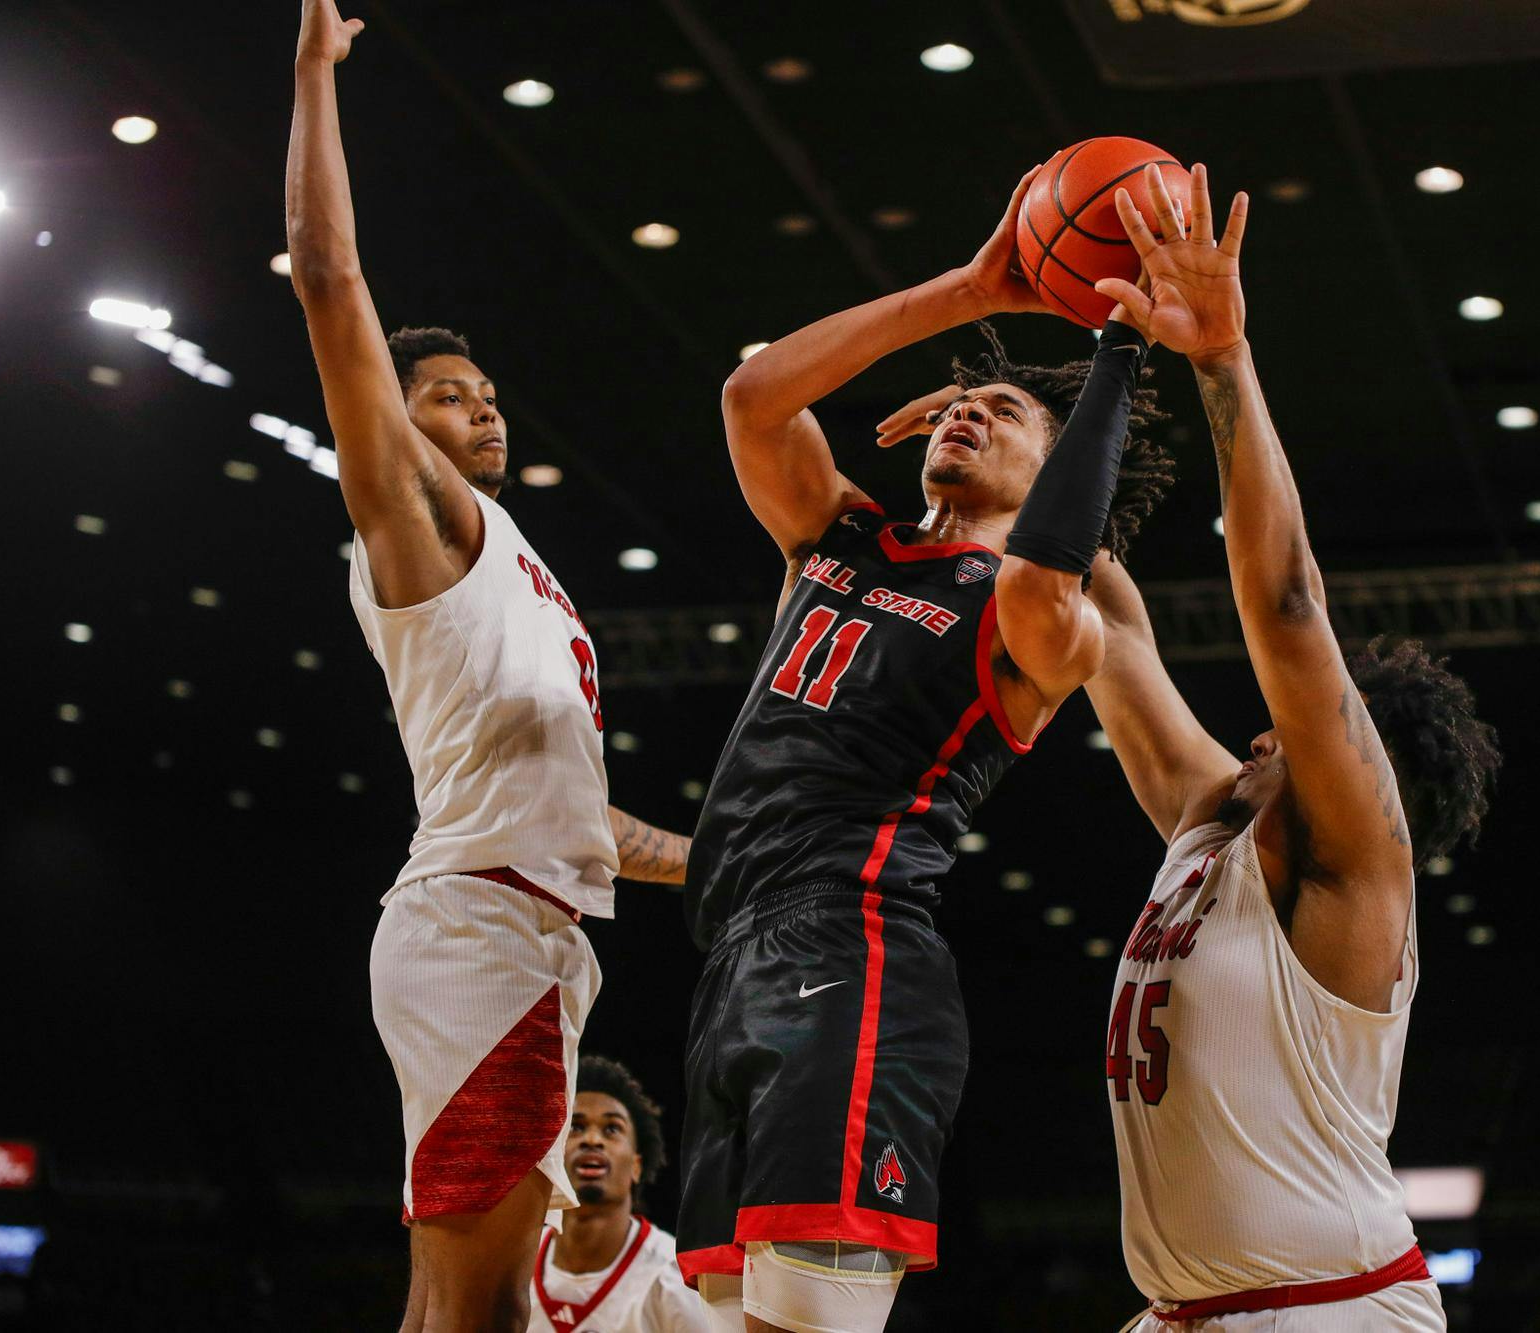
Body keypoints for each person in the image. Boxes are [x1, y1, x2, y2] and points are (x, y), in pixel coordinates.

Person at [674, 166, 1175, 1333]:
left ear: (1056, 476)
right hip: (731, 953)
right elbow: (752, 396)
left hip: (853, 956)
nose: (966, 412)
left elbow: (1055, 563)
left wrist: (1117, 352)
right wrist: (969, 289)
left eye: (1001, 415)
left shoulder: (1038, 616)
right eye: (958, 403)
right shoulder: (841, 536)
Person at [285, 4, 687, 1328]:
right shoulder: (416, 517)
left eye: (488, 390)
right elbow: (329, 278)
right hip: (481, 925)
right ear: (391, 427)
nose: (485, 404)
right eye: (451, 392)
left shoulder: (514, 559)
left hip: (523, 921)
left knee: (472, 1305)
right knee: (481, 1313)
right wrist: (313, 75)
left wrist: (712, 857)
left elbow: (573, 813)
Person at [1083, 166, 1501, 1328]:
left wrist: (1219, 357)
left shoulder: (1354, 862)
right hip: (1189, 1311)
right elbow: (1109, 634)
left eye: (1294, 725)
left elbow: (1284, 605)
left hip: (1327, 1308)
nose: (1263, 727)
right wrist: (1027, 485)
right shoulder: (1208, 821)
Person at [526, 1058, 708, 1332]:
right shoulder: (517, 1263)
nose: (592, 1140)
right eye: (576, 1127)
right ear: (553, 1155)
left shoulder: (672, 1274)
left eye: (612, 1129)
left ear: (636, 1166)